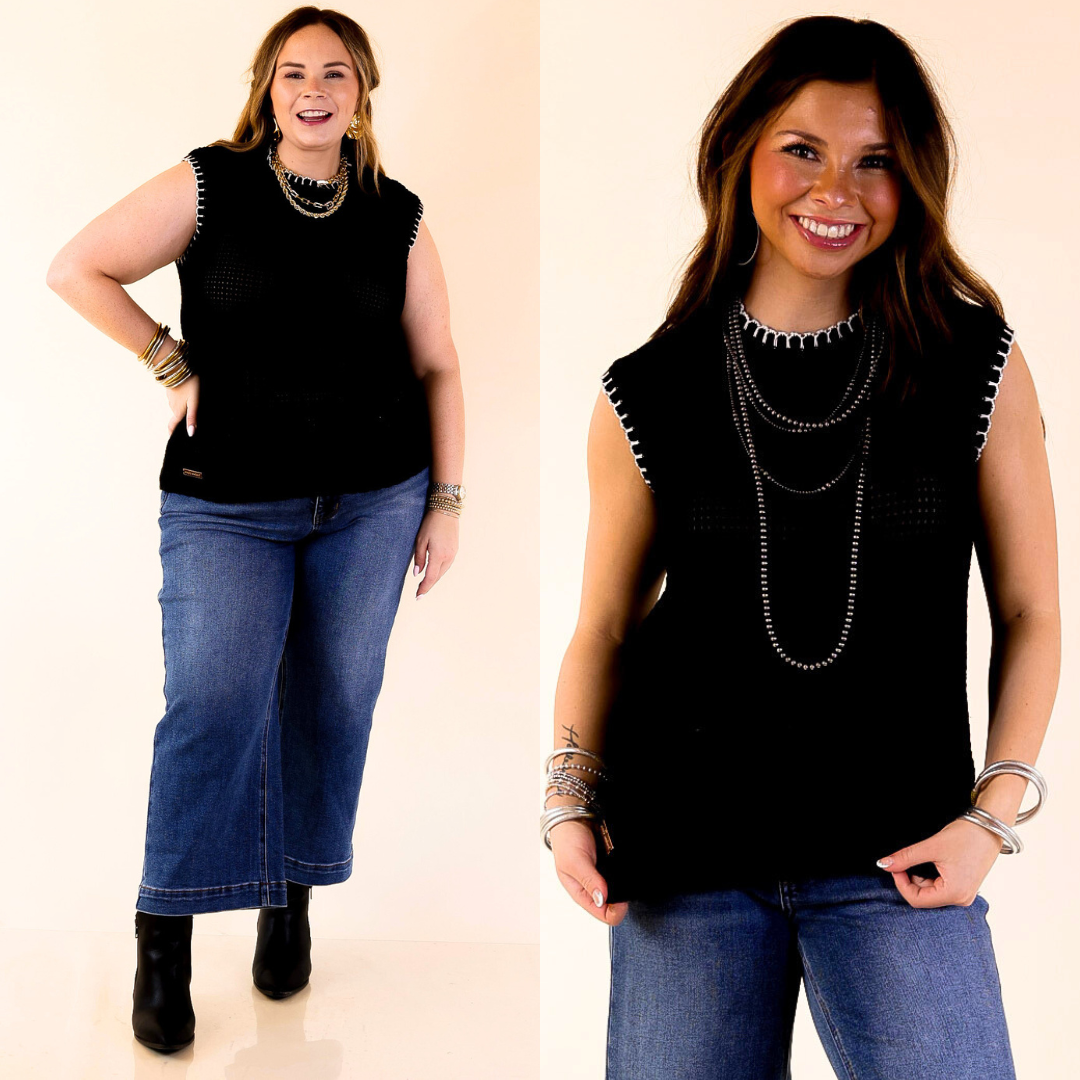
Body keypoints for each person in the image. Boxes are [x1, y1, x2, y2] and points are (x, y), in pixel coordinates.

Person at [546, 16, 1058, 1079]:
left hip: (901, 854)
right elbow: (603, 625)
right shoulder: (648, 390)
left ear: (912, 178)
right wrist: (567, 802)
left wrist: (991, 815)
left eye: (875, 161)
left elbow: (1032, 614)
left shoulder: (976, 365)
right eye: (803, 150)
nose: (836, 190)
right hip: (685, 851)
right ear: (741, 153)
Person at [46, 6, 465, 1054]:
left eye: (335, 72)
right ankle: (166, 934)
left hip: (372, 502)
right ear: (266, 90)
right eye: (292, 74)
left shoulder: (398, 215)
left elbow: (439, 364)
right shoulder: (212, 184)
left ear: (364, 91)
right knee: (214, 703)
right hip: (224, 501)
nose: (313, 90)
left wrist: (446, 503)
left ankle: (290, 897)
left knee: (332, 700)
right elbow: (77, 266)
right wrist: (167, 358)